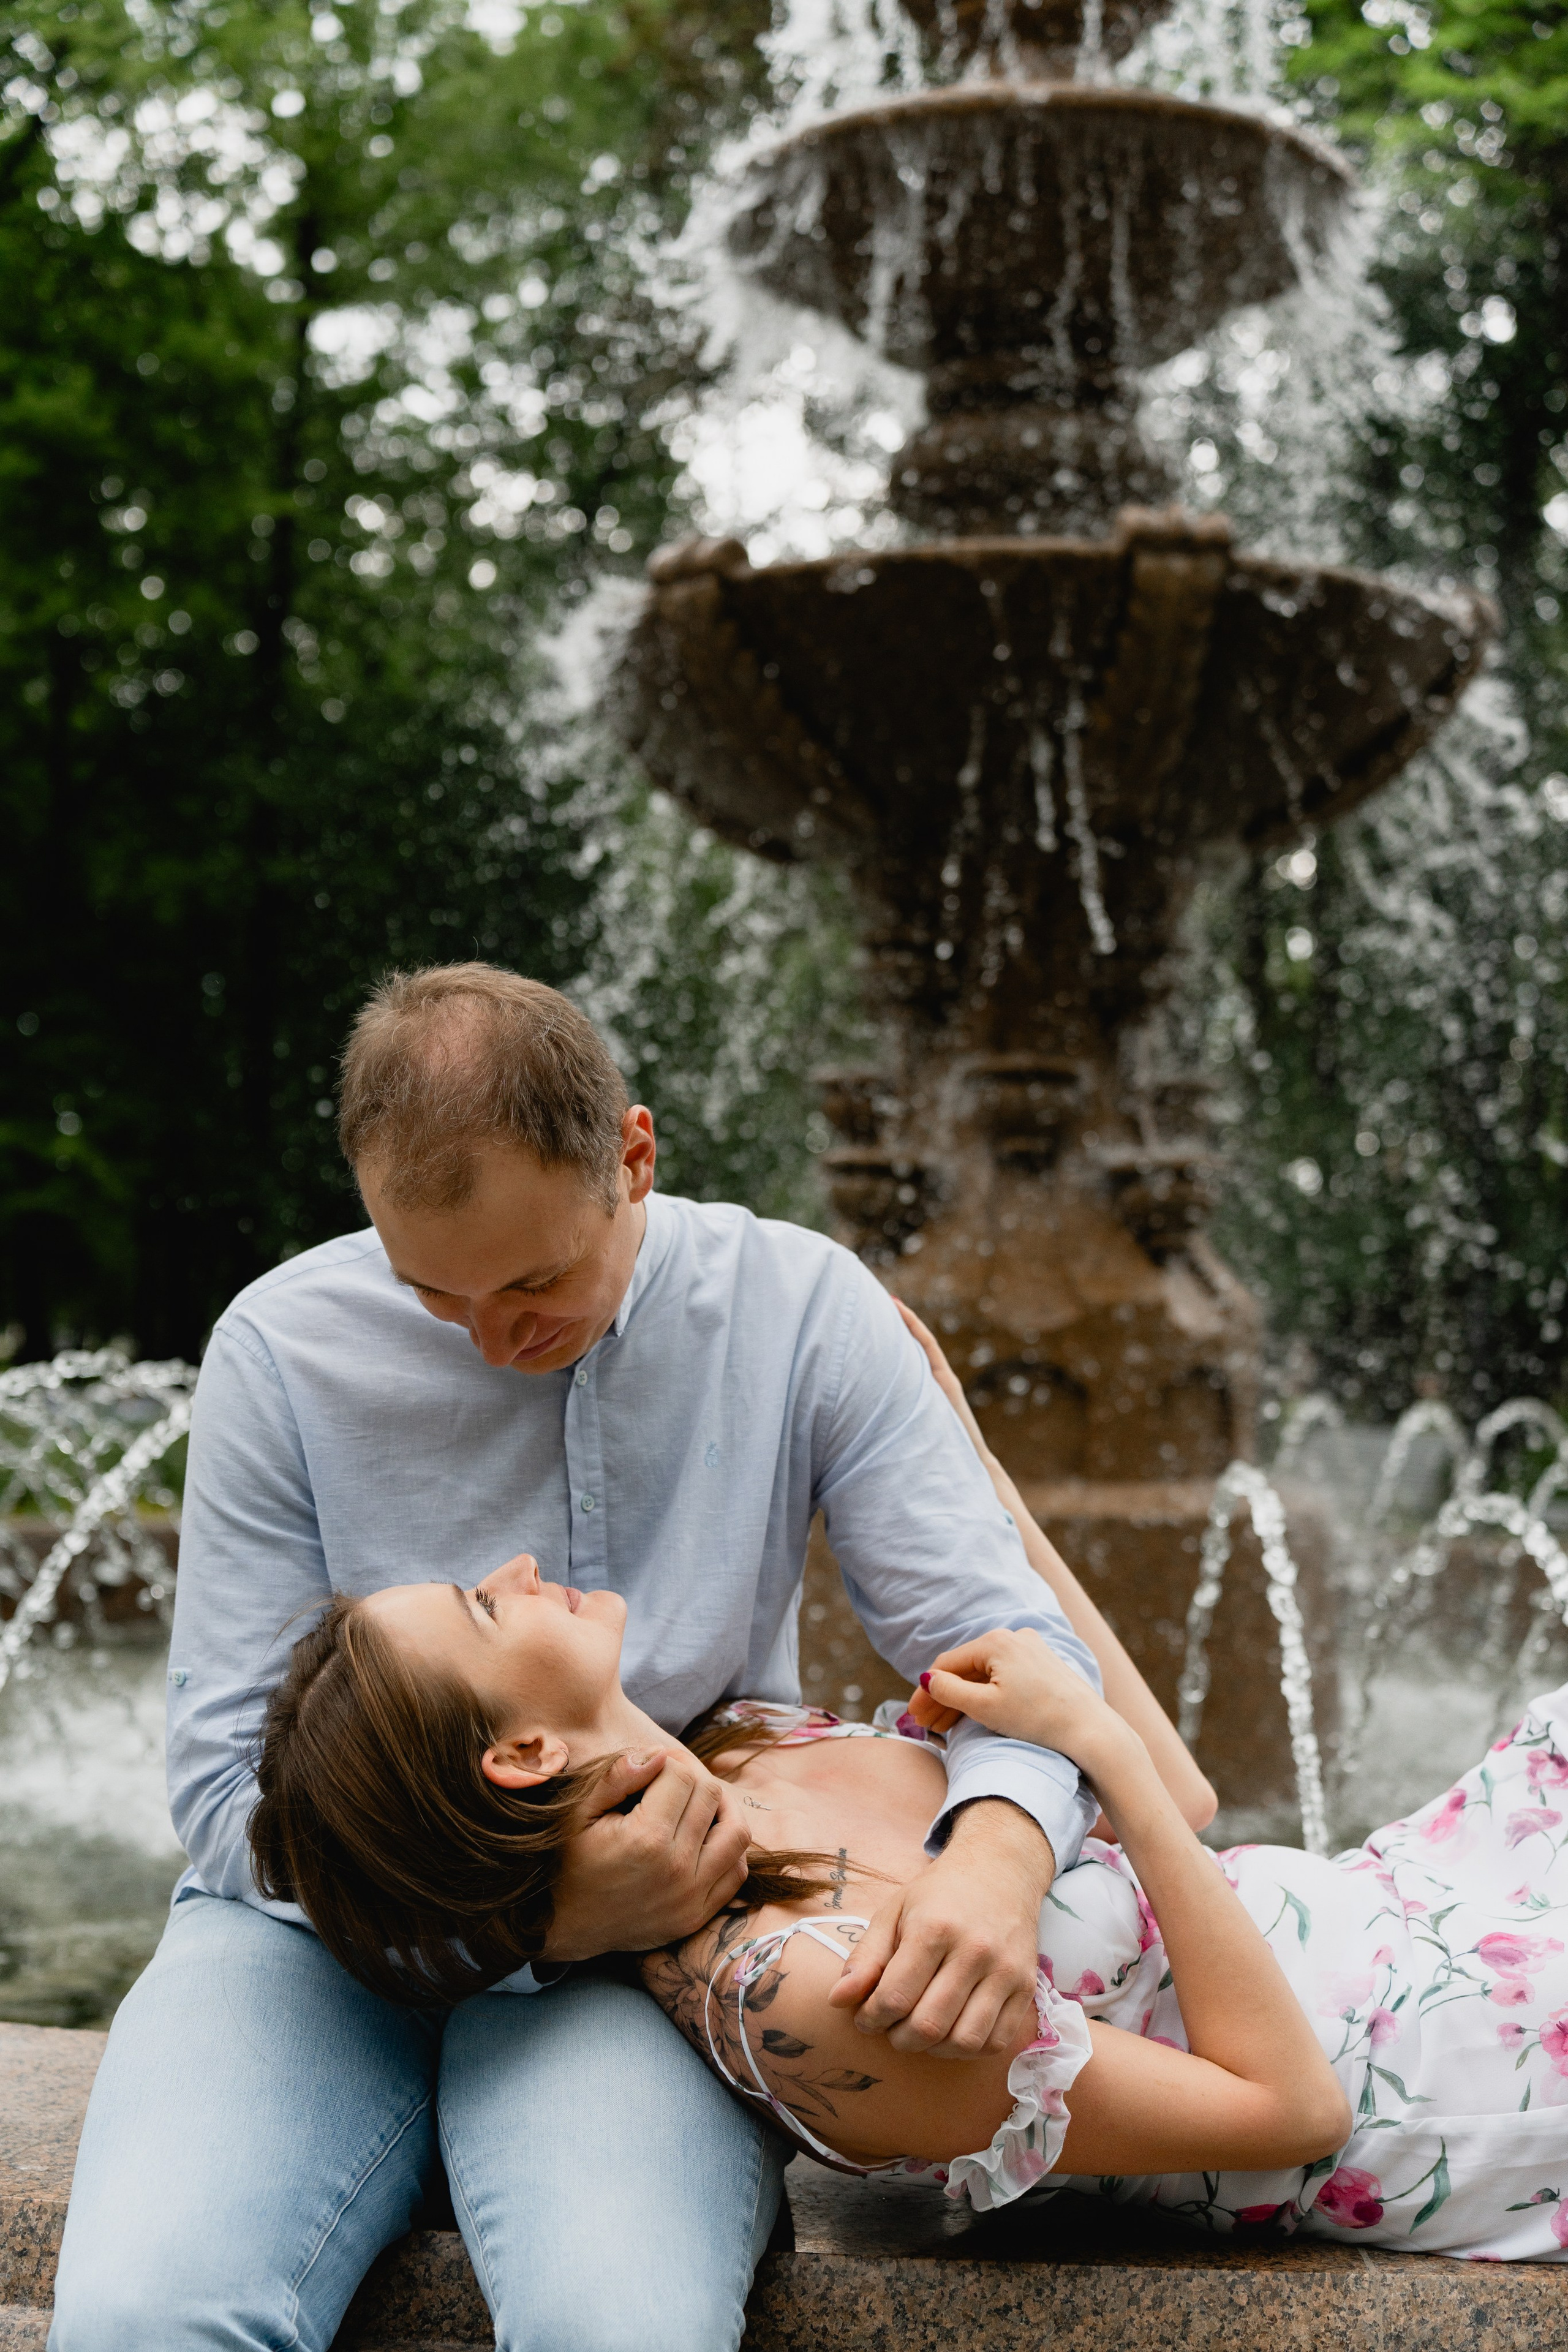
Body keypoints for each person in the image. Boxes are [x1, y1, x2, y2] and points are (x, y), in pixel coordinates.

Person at [50, 962, 1106, 2352]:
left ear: (633, 1153)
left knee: (621, 2327)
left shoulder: (797, 1308)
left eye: (534, 1282)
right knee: (144, 2321)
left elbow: (1007, 1644)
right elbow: (220, 1795)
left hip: (662, 1966)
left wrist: (994, 1857)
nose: (494, 1342)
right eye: (435, 1297)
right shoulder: (281, 1347)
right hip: (302, 1951)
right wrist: (529, 1916)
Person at [252, 1307, 1568, 2263]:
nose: (523, 1567)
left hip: (1410, 1908)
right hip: (1444, 2075)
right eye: (488, 1609)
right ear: (522, 1753)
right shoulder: (800, 1990)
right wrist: (1087, 1745)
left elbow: (1178, 1796)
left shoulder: (736, 1745)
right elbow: (1287, 2113)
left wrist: (973, 1476)